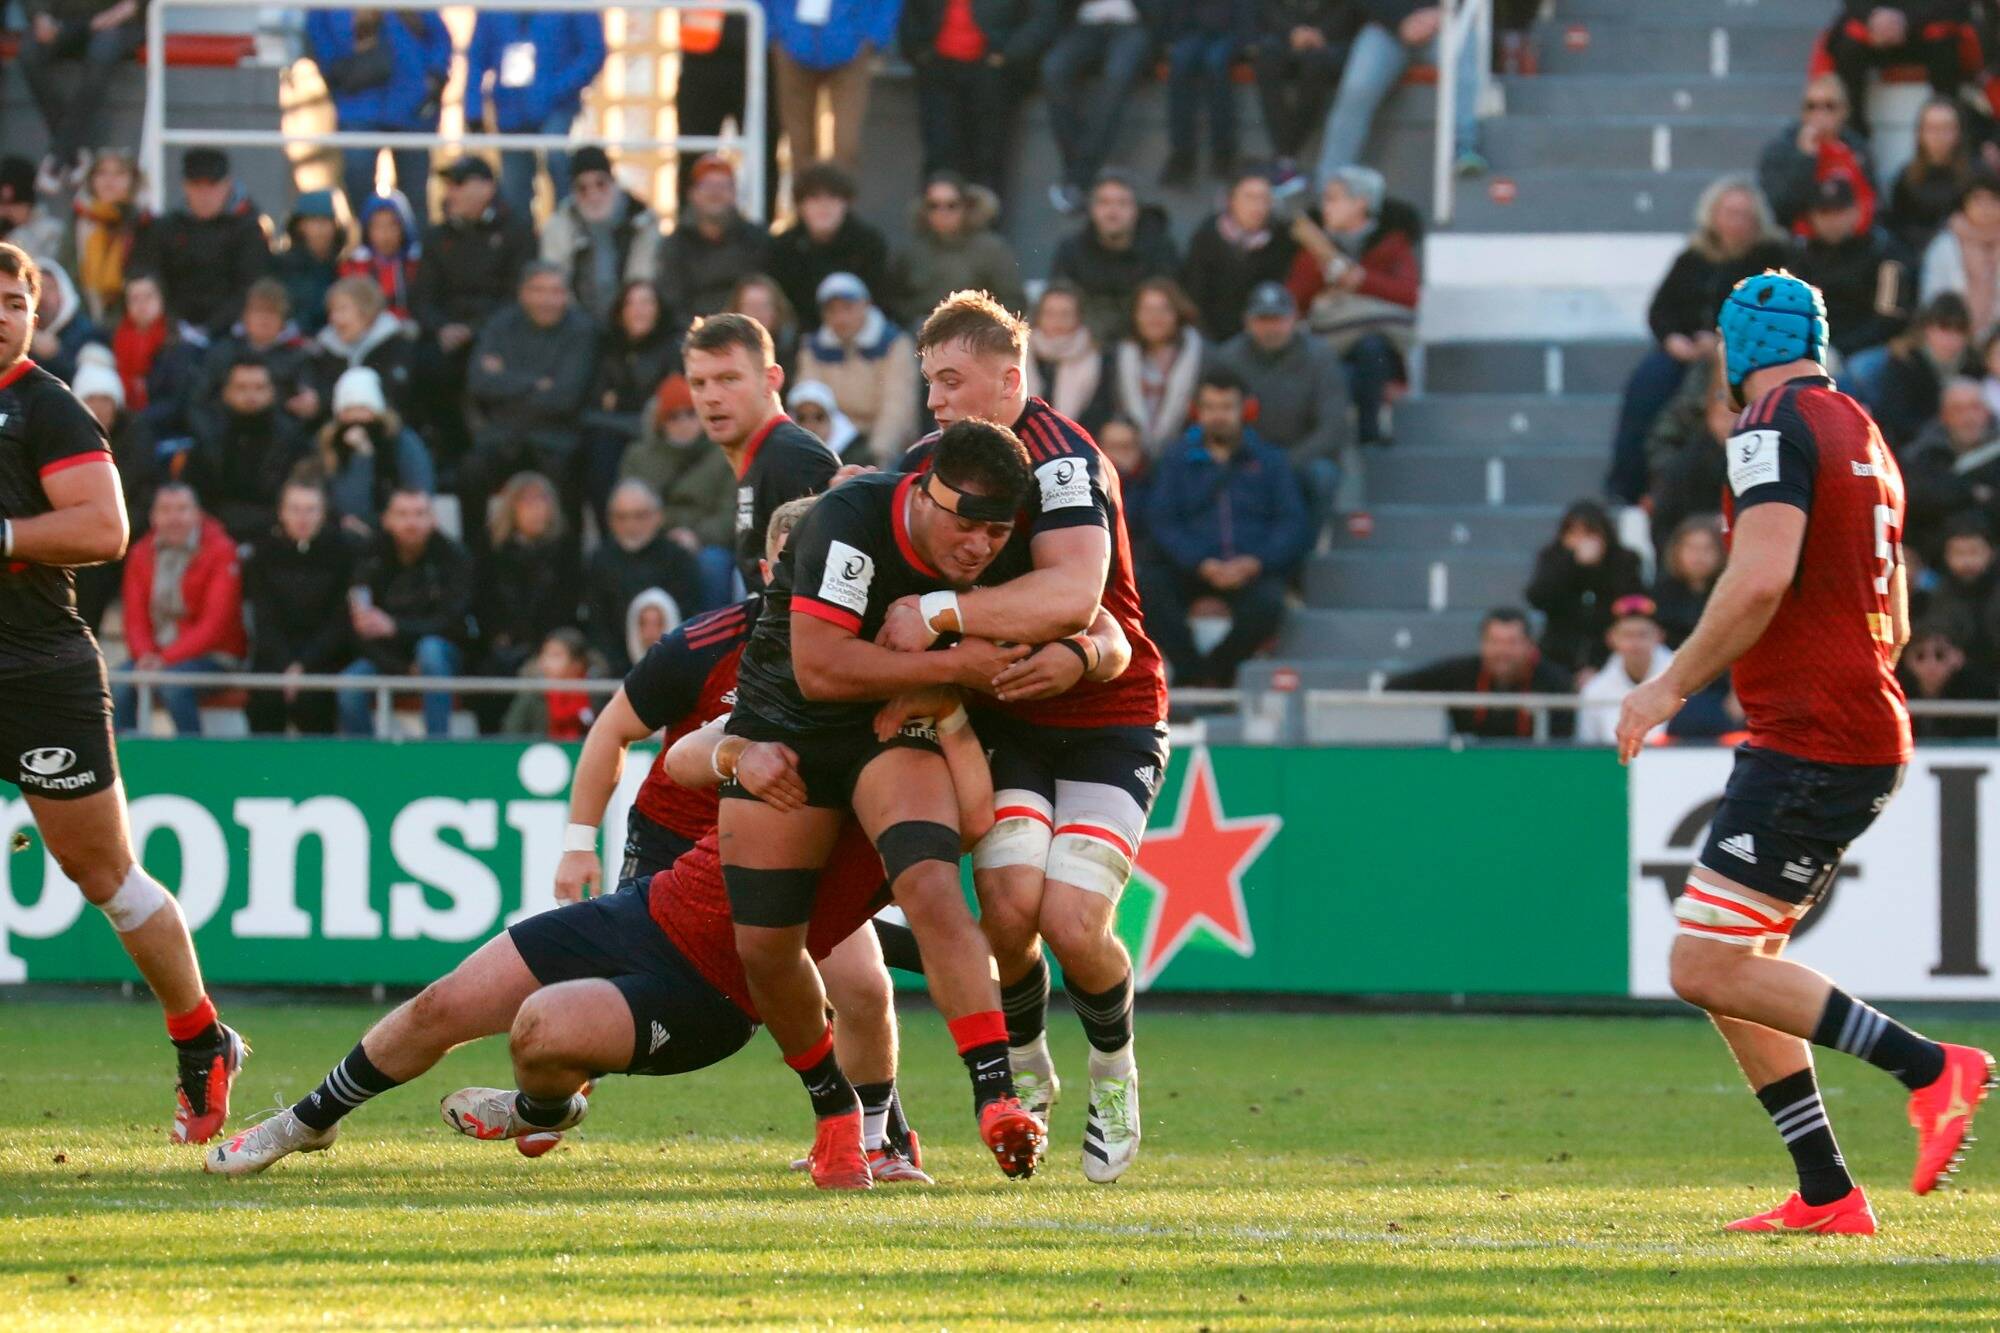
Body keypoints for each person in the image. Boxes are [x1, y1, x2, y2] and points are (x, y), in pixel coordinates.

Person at [201, 696, 989, 1182]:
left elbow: (963, 846)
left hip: (714, 992)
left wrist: (950, 722)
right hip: (647, 908)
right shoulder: (803, 683)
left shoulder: (924, 766)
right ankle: (306, 1121)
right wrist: (735, 751)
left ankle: (540, 1106)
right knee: (442, 1001)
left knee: (540, 1028)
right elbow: (680, 756)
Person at [1615, 267, 1994, 1236]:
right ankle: (1824, 1190)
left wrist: (1666, 686)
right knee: (1739, 963)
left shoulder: (1766, 425)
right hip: (1850, 719)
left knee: (1701, 963)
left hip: (1814, 734)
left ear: (1735, 347)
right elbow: (1896, 614)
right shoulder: (1859, 429)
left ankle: (1928, 1066)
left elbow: (1756, 579)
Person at [890, 290, 1171, 1185]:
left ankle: (1114, 1069)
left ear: (1010, 380)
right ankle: (1028, 1054)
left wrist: (940, 612)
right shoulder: (932, 465)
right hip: (1009, 715)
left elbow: (1071, 601)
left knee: (1071, 919)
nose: (934, 400)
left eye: (950, 380)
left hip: (1106, 717)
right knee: (1008, 913)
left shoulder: (1062, 462)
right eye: (927, 382)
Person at [720, 418, 1042, 1187]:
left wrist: (1082, 650)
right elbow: (821, 668)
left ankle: (997, 1097)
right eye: (966, 525)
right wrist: (959, 661)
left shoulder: (1005, 542)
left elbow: (1083, 617)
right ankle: (836, 1113)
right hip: (786, 730)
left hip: (888, 729)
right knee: (767, 949)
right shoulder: (850, 520)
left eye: (997, 532)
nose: (980, 547)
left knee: (931, 883)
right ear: (925, 493)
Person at [0, 243, 245, 1143]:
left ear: (35, 315)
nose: (1, 314)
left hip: (37, 674)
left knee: (102, 872)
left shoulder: (43, 406)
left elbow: (105, 528)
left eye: (14, 301)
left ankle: (201, 1037)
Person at [1607, 175, 1787, 503]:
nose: (1736, 221)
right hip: (1687, 348)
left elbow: (1775, 314)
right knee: (1647, 384)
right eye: (1729, 212)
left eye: (1744, 214)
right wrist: (1673, 339)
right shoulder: (1692, 257)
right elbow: (1660, 309)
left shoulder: (1773, 258)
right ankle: (1629, 483)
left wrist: (1722, 341)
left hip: (1744, 352)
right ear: (1713, 216)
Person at [1141, 367, 1308, 685]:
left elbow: (1291, 522)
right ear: (1197, 411)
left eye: (1227, 407)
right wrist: (1200, 562)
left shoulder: (1271, 461)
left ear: (1245, 409)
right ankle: (1192, 671)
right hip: (1193, 569)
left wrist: (1255, 562)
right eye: (1210, 407)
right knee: (1149, 587)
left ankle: (1216, 672)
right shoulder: (1176, 460)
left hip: (1252, 569)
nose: (1218, 416)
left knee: (1271, 603)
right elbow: (1163, 521)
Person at [682, 312, 840, 588]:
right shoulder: (763, 457)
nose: (711, 397)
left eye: (728, 379)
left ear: (771, 380)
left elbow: (825, 594)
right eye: (698, 384)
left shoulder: (794, 459)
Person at [410, 157, 537, 470]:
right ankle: (448, 453)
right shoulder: (437, 238)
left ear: (487, 187)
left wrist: (477, 329)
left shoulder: (517, 233)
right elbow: (423, 297)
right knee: (423, 367)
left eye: (460, 184)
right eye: (450, 185)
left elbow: (518, 295)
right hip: (448, 334)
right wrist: (442, 328)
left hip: (499, 333)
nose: (452, 192)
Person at [1284, 165, 1421, 445]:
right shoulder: (1314, 247)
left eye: (1334, 199)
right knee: (1339, 373)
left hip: (1380, 348)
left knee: (1372, 350)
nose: (1326, 207)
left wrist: (1359, 280)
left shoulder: (1392, 244)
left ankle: (1368, 430)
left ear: (1360, 203)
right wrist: (1319, 267)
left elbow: (1408, 295)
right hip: (1328, 342)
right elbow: (1295, 299)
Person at [464, 262, 599, 534]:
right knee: (470, 473)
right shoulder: (501, 323)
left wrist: (506, 378)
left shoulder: (582, 330)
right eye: (538, 290)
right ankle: (476, 566)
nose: (547, 300)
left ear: (566, 295)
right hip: (502, 436)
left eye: (555, 291)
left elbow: (565, 398)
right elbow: (479, 382)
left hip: (556, 439)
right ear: (522, 293)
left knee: (570, 480)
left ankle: (568, 570)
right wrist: (537, 382)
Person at [1206, 281, 1351, 533]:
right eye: (1262, 319)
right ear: (1247, 321)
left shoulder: (1321, 357)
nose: (1270, 328)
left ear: (1294, 319)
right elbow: (1212, 417)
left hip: (1301, 455)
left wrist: (1284, 463)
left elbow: (1332, 428)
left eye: (1278, 319)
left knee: (1323, 476)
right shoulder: (1227, 358)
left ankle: (1308, 551)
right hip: (1243, 454)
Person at [112, 481, 245, 736]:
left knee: (174, 686)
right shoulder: (140, 553)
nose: (174, 518)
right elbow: (135, 618)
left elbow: (215, 626)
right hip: (156, 655)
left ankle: (192, 762)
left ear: (197, 513)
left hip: (214, 656)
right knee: (120, 684)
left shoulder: (221, 550)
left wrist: (165, 660)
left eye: (182, 509)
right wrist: (146, 656)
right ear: (153, 517)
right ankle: (126, 763)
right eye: (165, 510)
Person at [338, 487, 473, 737]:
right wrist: (401, 668)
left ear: (433, 519)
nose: (412, 522)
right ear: (386, 519)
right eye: (402, 514)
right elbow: (357, 628)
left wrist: (395, 626)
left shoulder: (454, 557)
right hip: (385, 658)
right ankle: (364, 765)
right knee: (349, 685)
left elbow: (451, 622)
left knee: (431, 651)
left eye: (420, 514)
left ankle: (437, 750)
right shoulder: (369, 557)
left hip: (442, 655)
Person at [898, 0, 1059, 196]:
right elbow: (910, 13)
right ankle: (938, 221)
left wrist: (1008, 55)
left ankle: (985, 224)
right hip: (938, 68)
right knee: (940, 157)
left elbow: (1042, 18)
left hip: (992, 70)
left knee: (987, 159)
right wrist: (919, 52)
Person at [1314, 0, 1482, 187]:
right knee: (1357, 88)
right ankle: (1329, 185)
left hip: (1442, 22)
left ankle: (1463, 146)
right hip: (1386, 27)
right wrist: (1400, 21)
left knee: (1464, 45)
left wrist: (1439, 14)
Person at [304, 7, 453, 213]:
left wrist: (433, 80)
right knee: (357, 179)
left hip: (411, 105)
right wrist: (335, 71)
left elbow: (440, 37)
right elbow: (317, 29)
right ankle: (369, 239)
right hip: (357, 104)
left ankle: (414, 243)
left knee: (415, 196)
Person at [463, 9, 608, 220]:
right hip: (510, 109)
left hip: (557, 106)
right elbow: (477, 55)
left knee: (558, 161)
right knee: (514, 184)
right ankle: (522, 247)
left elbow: (594, 51)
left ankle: (567, 235)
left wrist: (556, 89)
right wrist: (473, 109)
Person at [244, 477, 356, 736]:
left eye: (310, 509)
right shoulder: (263, 555)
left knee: (315, 704)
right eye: (294, 509)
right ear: (282, 512)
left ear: (323, 513)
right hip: (274, 658)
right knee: (264, 702)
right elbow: (264, 618)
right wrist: (287, 665)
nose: (302, 517)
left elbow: (339, 621)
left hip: (325, 659)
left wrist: (303, 665)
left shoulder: (343, 553)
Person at [620, 374, 739, 611]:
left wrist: (696, 536)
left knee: (713, 565)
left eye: (690, 413)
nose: (683, 422)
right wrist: (660, 535)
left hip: (704, 542)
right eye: (674, 416)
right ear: (661, 422)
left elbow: (731, 512)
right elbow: (627, 505)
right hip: (653, 538)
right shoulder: (639, 457)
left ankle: (716, 641)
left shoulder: (723, 454)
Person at [473, 471, 579, 729]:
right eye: (527, 502)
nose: (537, 510)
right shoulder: (490, 550)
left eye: (542, 501)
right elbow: (482, 601)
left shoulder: (565, 550)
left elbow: (568, 604)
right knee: (487, 676)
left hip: (549, 644)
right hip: (501, 645)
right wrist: (499, 636)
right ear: (511, 508)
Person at [128, 148, 270, 340]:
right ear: (185, 186)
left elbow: (250, 287)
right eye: (196, 185)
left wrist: (210, 330)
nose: (205, 194)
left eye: (212, 185)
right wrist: (175, 326)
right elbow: (150, 277)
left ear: (227, 185)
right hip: (170, 332)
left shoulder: (247, 230)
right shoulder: (164, 229)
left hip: (231, 333)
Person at [1789, 176, 1914, 385]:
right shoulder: (1800, 255)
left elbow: (1890, 319)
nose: (1832, 221)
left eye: (1839, 212)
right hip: (1816, 345)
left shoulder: (1885, 251)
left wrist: (1840, 347)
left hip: (1869, 348)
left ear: (1856, 211)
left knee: (1859, 371)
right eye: (1823, 213)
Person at [1041, 0, 1161, 212]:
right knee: (1053, 70)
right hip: (1084, 26)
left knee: (1117, 78)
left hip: (1132, 25)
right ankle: (1080, 170)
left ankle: (1079, 177)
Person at [1385, 607, 1577, 740]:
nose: (1503, 652)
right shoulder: (1459, 673)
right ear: (1482, 644)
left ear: (1529, 645)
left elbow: (1563, 744)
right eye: (1494, 642)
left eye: (1512, 642)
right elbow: (1394, 688)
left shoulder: (1555, 683)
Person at [182, 357, 311, 545]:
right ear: (226, 392)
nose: (251, 395)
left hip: (277, 536)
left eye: (259, 388)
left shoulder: (293, 440)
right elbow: (194, 494)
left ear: (272, 392)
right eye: (241, 388)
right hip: (213, 536)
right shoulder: (208, 438)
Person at [795, 272, 919, 465]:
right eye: (832, 310)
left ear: (866, 305)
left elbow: (896, 407)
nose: (840, 318)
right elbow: (808, 403)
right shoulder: (813, 348)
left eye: (847, 308)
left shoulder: (894, 344)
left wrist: (878, 455)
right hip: (832, 444)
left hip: (880, 446)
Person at [18, 0, 144, 189]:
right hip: (64, 19)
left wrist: (127, 9)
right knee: (30, 53)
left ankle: (58, 157)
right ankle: (73, 153)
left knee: (102, 54)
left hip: (120, 21)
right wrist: (40, 15)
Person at [68, 348, 151, 628]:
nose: (100, 407)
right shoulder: (63, 437)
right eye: (91, 399)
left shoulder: (137, 437)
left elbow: (143, 494)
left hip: (125, 533)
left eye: (106, 399)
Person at [586, 477, 702, 674]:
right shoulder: (600, 561)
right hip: (616, 670)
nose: (630, 525)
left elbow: (691, 616)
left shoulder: (677, 558)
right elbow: (598, 624)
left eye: (639, 515)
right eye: (621, 517)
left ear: (658, 516)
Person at [1819, 1, 1981, 141]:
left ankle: (1948, 128)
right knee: (1846, 47)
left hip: (1927, 27)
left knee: (1947, 49)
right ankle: (1852, 135)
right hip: (1875, 30)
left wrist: (1906, 20)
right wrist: (1873, 17)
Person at [768, 0, 898, 174]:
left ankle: (840, 198)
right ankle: (805, 198)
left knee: (846, 143)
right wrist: (773, 34)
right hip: (792, 46)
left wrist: (874, 37)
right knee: (798, 142)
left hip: (851, 48)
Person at [1048, 171, 1180, 343]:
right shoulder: (1071, 250)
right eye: (1104, 203)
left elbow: (1169, 306)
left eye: (1122, 203)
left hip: (1144, 343)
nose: (1112, 211)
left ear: (1136, 210)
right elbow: (1060, 300)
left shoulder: (1160, 250)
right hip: (1085, 342)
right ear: (1092, 209)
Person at [538, 147, 662, 326]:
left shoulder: (643, 221)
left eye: (600, 184)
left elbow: (642, 280)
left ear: (613, 182)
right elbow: (555, 280)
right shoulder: (559, 224)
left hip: (630, 321)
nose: (593, 194)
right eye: (582, 188)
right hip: (574, 324)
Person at [767, 162, 892, 334]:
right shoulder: (783, 249)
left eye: (832, 198)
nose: (823, 206)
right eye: (814, 198)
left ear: (846, 204)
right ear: (800, 205)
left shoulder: (868, 245)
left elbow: (881, 299)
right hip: (799, 338)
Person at [1525, 500, 1646, 677]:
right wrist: (1572, 564)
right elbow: (1538, 597)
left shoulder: (1624, 561)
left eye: (1589, 533)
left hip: (1611, 657)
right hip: (1559, 655)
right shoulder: (1552, 559)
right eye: (1573, 533)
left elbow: (1631, 602)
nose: (1581, 541)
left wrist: (1596, 569)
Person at [887, 173, 1026, 327]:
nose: (943, 212)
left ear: (966, 207)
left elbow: (1013, 301)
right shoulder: (910, 251)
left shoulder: (991, 249)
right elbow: (893, 302)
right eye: (933, 205)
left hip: (975, 333)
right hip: (919, 332)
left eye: (951, 205)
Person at [1178, 169, 1298, 342]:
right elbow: (1193, 292)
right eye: (1249, 197)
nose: (1258, 206)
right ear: (1231, 201)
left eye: (1264, 199)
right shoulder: (1207, 237)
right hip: (1208, 335)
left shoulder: (1282, 241)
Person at [313, 366, 435, 535]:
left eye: (363, 409)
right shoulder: (329, 445)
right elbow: (345, 502)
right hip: (341, 528)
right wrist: (360, 458)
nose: (356, 417)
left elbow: (419, 487)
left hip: (396, 527)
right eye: (349, 410)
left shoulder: (402, 442)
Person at [1757, 74, 1877, 237]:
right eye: (1811, 106)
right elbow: (1779, 210)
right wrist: (1805, 158)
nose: (1820, 114)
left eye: (1829, 106)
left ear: (1845, 111)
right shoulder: (1780, 150)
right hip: (1798, 243)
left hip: (1853, 241)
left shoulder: (1858, 148)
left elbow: (1873, 203)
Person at [658, 156, 770, 325]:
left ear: (734, 194)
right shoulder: (675, 244)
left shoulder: (757, 239)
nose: (715, 192)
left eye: (723, 186)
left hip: (748, 331)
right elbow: (671, 302)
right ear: (692, 194)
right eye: (707, 185)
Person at [1253, 0, 1352, 186]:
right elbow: (1269, 8)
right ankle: (1286, 157)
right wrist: (1293, 32)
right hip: (1288, 33)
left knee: (1316, 64)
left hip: (1336, 38)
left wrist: (1321, 34)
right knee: (1267, 57)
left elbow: (1353, 9)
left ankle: (1285, 156)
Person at [1159, 0, 1254, 187]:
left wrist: (1248, 38)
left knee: (1215, 65)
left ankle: (1223, 152)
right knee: (1179, 63)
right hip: (1192, 30)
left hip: (1232, 30)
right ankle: (1182, 154)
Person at [198, 278, 315, 425]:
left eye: (272, 312)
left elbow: (305, 400)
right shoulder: (221, 353)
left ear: (283, 320)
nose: (265, 319)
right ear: (245, 316)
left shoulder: (297, 357)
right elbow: (199, 402)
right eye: (258, 311)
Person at [1904, 378, 2000, 558]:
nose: (1968, 418)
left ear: (1987, 412)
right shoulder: (1923, 453)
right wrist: (1970, 492)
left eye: (1975, 408)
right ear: (1944, 416)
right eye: (1958, 410)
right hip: (1934, 559)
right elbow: (1917, 498)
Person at [1112, 277, 1206, 455]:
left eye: (1163, 310)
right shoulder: (1116, 358)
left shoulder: (1203, 357)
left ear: (1178, 314)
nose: (1155, 318)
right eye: (1147, 310)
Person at [1875, 291, 1978, 448]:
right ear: (1927, 329)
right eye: (1944, 328)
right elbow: (1898, 421)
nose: (1951, 338)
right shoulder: (1904, 365)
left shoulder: (1974, 366)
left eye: (1959, 330)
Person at [310, 275, 416, 421]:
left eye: (342, 309)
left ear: (367, 310)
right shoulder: (324, 350)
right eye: (332, 311)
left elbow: (399, 396)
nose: (334, 318)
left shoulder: (395, 344)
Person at [1574, 595, 1673, 745]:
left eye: (1643, 635)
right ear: (1611, 639)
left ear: (1659, 636)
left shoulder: (1683, 681)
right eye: (1627, 635)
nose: (1635, 644)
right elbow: (1588, 746)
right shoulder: (1596, 690)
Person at [1885, 97, 1976, 256]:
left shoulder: (1977, 175)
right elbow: (1896, 227)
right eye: (1932, 128)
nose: (1939, 135)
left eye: (1946, 128)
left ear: (1958, 132)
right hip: (1917, 258)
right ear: (1920, 133)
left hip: (1969, 256)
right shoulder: (1906, 177)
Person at [66, 149, 146, 323]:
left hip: (132, 320)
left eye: (119, 173)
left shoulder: (143, 224)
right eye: (101, 173)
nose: (109, 181)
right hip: (84, 319)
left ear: (133, 181)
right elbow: (67, 275)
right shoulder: (80, 220)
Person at [1022, 281, 1112, 432]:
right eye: (1050, 314)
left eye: (1065, 314)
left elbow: (1099, 412)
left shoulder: (1098, 359)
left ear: (1079, 317)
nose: (1057, 321)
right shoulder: (1021, 353)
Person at [1920, 173, 2000, 342]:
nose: (1986, 208)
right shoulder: (1944, 246)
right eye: (1978, 200)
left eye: (1993, 200)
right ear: (1965, 204)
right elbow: (1931, 299)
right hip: (1951, 335)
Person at [1898, 617, 1999, 739]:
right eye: (1920, 656)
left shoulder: (1980, 695)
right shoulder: (1897, 694)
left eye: (1940, 655)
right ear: (1907, 660)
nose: (1931, 664)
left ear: (1958, 657)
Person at [269, 191, 346, 339]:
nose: (320, 228)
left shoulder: (343, 268)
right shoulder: (281, 265)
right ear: (300, 225)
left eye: (326, 221)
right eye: (313, 221)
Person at [498, 628, 598, 739]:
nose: (545, 663)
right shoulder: (532, 696)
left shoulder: (596, 693)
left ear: (577, 663)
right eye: (545, 655)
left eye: (556, 656)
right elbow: (511, 733)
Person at [338, 192, 422, 321]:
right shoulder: (353, 267)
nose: (385, 233)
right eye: (377, 226)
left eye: (392, 225)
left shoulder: (417, 264)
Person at [1652, 515, 1725, 649]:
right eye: (1691, 548)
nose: (1699, 556)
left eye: (1707, 548)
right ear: (1677, 550)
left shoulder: (1727, 592)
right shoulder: (1662, 592)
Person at [30, 259, 99, 386]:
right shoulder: (20, 333)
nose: (43, 296)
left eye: (49, 288)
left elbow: (90, 384)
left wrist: (55, 355)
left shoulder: (84, 331)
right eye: (37, 289)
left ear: (63, 291)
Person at [788, 379, 865, 462]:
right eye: (802, 418)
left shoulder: (856, 456)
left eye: (819, 417)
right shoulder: (786, 457)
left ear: (832, 419)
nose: (810, 425)